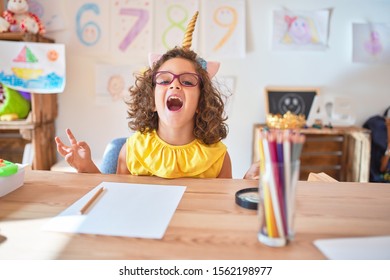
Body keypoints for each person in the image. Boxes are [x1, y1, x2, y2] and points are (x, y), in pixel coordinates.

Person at [55, 12, 233, 179]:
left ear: (202, 103)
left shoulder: (219, 158)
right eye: (164, 80)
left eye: (187, 82)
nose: (175, 85)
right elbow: (115, 197)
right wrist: (87, 168)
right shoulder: (131, 151)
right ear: (152, 101)